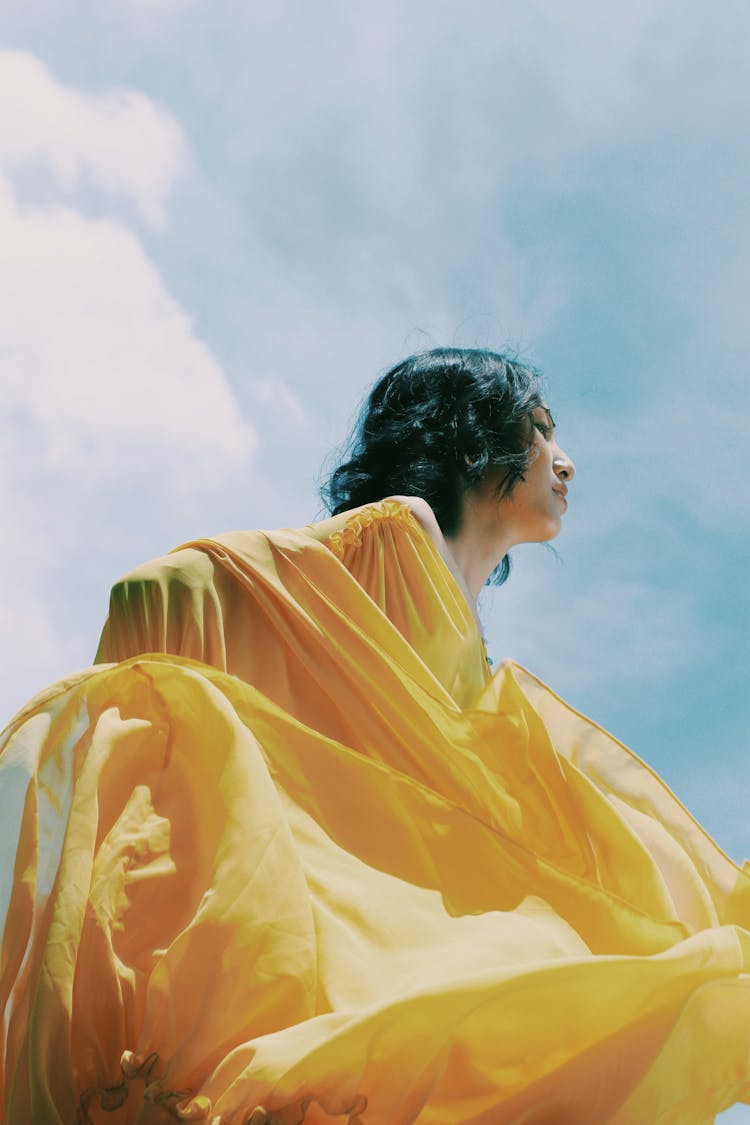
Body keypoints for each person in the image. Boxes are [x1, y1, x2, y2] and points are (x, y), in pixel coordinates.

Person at [0, 347, 748, 1124]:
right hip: (340, 897)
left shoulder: (470, 640)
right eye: (539, 430)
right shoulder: (403, 532)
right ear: (472, 440)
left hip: (406, 904)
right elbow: (186, 583)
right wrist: (157, 689)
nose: (564, 461)